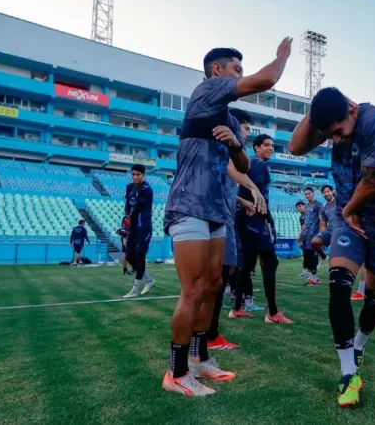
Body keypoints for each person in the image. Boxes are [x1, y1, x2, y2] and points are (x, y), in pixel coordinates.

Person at [162, 39, 293, 397]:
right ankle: (175, 373)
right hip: (189, 204)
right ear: (217, 71)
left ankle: (199, 359)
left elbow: (243, 165)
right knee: (193, 290)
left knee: (212, 286)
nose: (240, 73)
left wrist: (236, 144)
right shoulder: (206, 90)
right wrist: (282, 56)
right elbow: (264, 81)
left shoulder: (231, 119)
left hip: (217, 210)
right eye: (236, 68)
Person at [288, 86, 375, 408]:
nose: (336, 140)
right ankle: (348, 371)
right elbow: (296, 147)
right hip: (346, 216)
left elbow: (372, 182)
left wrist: (351, 209)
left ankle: (360, 345)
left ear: (352, 111)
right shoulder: (334, 121)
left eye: (339, 132)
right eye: (330, 135)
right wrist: (317, 113)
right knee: (338, 284)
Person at [208, 108, 266, 351]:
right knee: (218, 276)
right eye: (245, 128)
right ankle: (210, 335)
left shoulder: (230, 151)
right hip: (219, 218)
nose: (247, 133)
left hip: (226, 214)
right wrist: (253, 188)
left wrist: (242, 201)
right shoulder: (226, 149)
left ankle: (210, 334)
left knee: (224, 273)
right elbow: (230, 169)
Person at [230, 134, 293, 324]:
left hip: (246, 218)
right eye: (266, 145)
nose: (271, 148)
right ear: (256, 148)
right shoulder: (258, 164)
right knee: (270, 263)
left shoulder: (251, 164)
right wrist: (267, 218)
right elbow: (256, 194)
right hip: (254, 219)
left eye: (272, 145)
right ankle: (272, 313)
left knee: (248, 265)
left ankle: (237, 308)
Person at [122, 164, 155, 298]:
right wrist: (126, 217)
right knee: (129, 256)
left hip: (144, 225)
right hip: (133, 226)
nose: (135, 177)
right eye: (133, 174)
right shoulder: (129, 187)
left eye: (138, 174)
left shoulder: (147, 189)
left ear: (143, 175)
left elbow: (139, 206)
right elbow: (128, 205)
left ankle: (135, 290)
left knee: (140, 254)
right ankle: (149, 280)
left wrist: (130, 217)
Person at [300, 187, 323, 285]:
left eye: (309, 193)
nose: (307, 195)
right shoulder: (306, 206)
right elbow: (305, 221)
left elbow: (322, 219)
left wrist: (320, 233)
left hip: (314, 233)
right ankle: (312, 277)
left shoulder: (318, 205)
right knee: (307, 256)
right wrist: (302, 233)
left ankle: (314, 278)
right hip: (306, 234)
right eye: (305, 194)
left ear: (313, 193)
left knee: (313, 257)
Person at [295, 201, 309, 279]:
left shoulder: (308, 214)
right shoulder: (301, 217)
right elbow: (302, 227)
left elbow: (305, 226)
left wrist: (300, 236)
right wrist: (301, 237)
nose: (299, 208)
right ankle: (304, 272)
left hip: (311, 235)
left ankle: (311, 272)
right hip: (305, 237)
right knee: (305, 254)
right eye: (297, 207)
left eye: (300, 206)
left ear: (304, 206)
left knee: (309, 254)